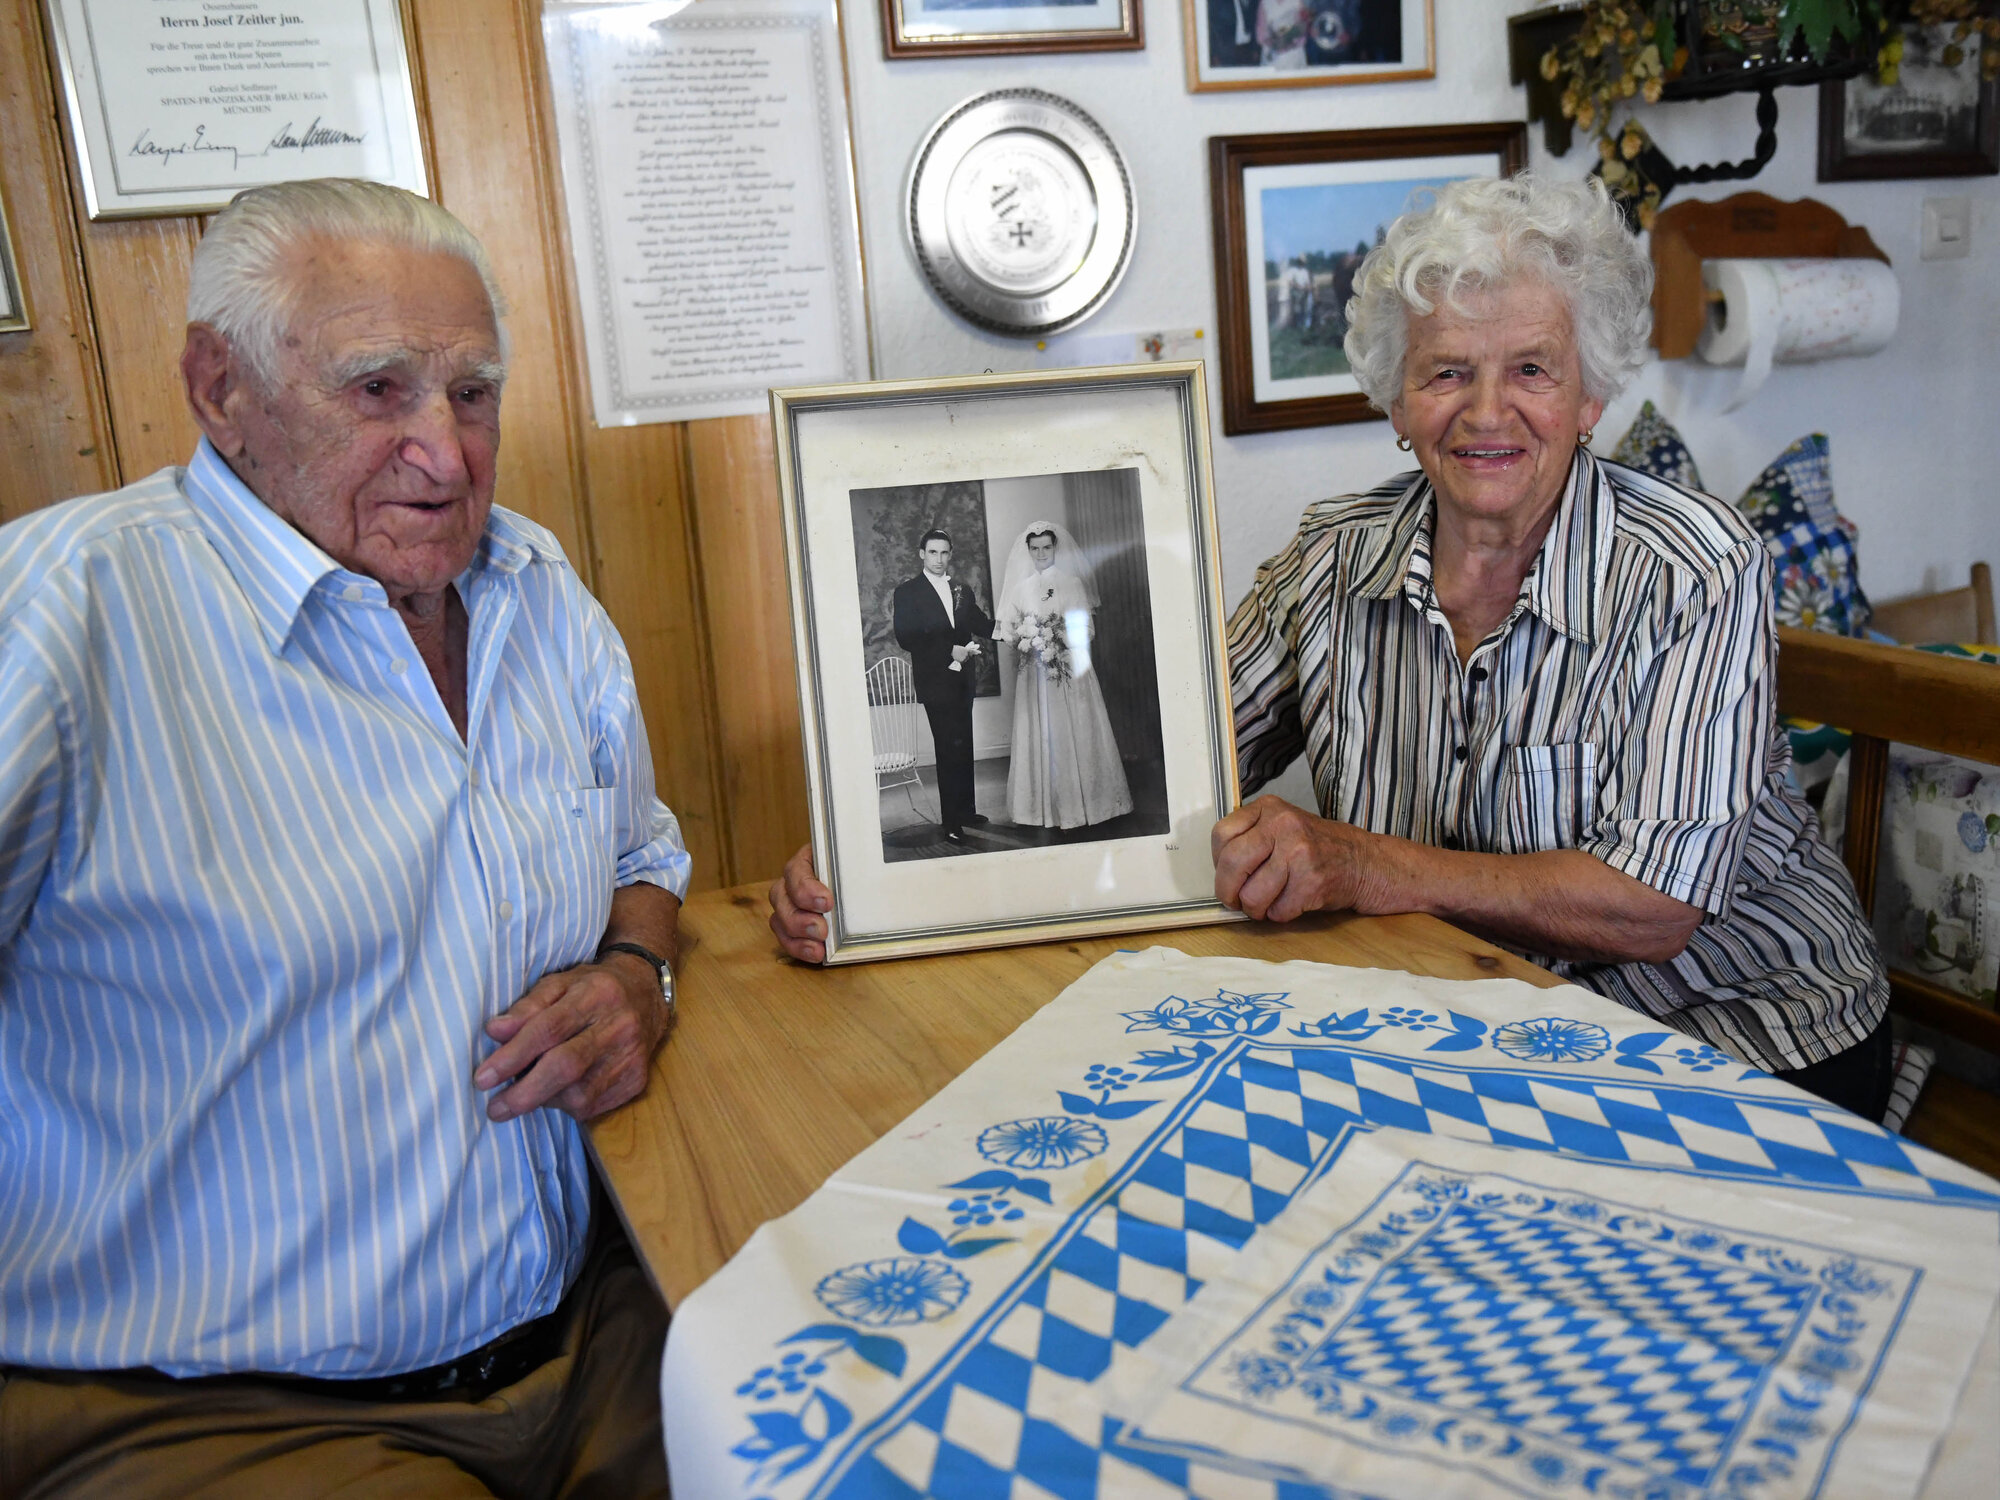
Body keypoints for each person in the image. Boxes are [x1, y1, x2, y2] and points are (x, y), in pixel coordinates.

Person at [776, 173, 1891, 1126]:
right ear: (1394, 403)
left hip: (1737, 1038)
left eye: (1531, 371)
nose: (1484, 411)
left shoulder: (1692, 566)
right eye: (1445, 371)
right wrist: (875, 878)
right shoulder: (1331, 557)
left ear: (1591, 393)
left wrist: (1359, 863)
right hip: (1467, 1022)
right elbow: (1183, 763)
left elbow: (1651, 906)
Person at [0, 179, 688, 1498]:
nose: (445, 453)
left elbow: (642, 866)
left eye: (472, 393)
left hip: (590, 1343)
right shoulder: (64, 613)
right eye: (378, 390)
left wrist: (632, 979)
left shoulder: (539, 594)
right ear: (220, 388)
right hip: (214, 1413)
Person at [993, 522, 1133, 830]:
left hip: (1067, 671)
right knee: (1040, 732)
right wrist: (1025, 638)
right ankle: (1039, 811)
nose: (1041, 554)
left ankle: (1084, 806)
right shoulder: (1020, 588)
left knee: (1074, 731)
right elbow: (1007, 632)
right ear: (1028, 551)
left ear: (1055, 548)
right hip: (1034, 677)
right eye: (1035, 548)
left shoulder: (1072, 583)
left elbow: (1087, 630)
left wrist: (1055, 636)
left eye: (1047, 547)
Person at [891, 529, 994, 845]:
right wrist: (949, 650)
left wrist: (1020, 631)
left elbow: (981, 624)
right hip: (936, 680)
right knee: (948, 748)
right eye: (933, 552)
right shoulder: (907, 592)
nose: (939, 559)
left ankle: (965, 810)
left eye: (944, 553)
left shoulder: (961, 588)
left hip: (963, 679)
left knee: (964, 745)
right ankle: (951, 822)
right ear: (922, 553)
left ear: (951, 554)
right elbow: (907, 637)